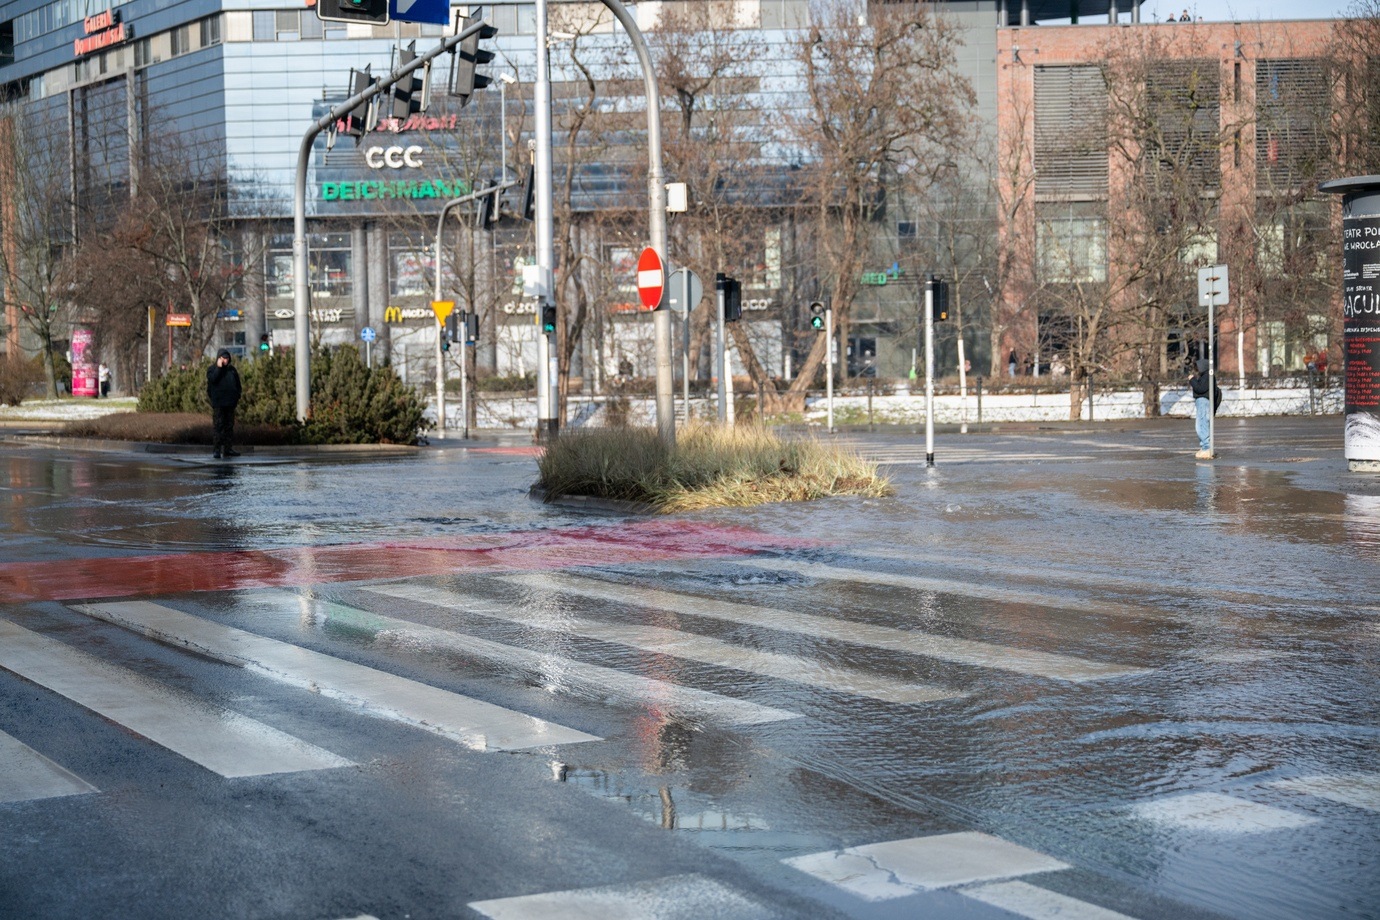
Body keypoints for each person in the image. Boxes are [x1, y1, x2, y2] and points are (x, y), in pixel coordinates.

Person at [206, 349, 242, 460]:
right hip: (219, 403)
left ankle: (228, 449)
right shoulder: (212, 369)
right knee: (218, 426)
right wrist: (219, 368)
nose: (225, 360)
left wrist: (237, 396)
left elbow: (238, 385)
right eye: (223, 358)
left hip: (230, 403)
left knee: (229, 427)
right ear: (218, 358)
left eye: (226, 358)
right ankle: (217, 449)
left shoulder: (232, 370)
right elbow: (213, 380)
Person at [1188, 358, 1217, 459]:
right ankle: (1205, 446)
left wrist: (1192, 380)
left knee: (1201, 424)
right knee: (1202, 424)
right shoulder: (1207, 376)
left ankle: (1206, 447)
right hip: (1203, 401)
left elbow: (1200, 388)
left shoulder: (1207, 376)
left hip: (1203, 401)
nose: (1197, 369)